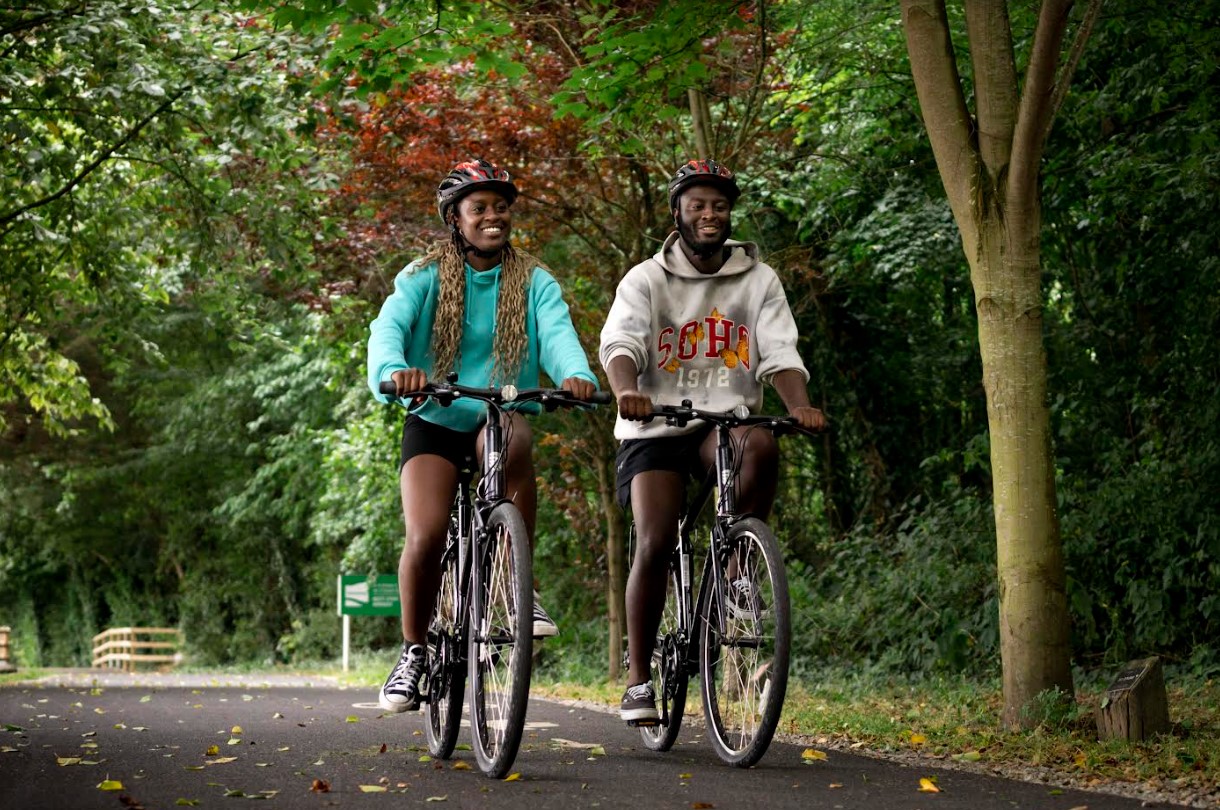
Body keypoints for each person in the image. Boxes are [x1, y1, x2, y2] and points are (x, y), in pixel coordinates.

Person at [598, 158, 827, 725]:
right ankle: (638, 678)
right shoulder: (646, 279)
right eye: (697, 204)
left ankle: (737, 577)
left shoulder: (759, 280)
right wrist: (627, 390)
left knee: (761, 445)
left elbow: (779, 352)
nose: (709, 214)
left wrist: (798, 405)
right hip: (655, 425)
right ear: (677, 213)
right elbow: (620, 343)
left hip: (723, 420)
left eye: (719, 205)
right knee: (655, 538)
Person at [368, 158, 598, 713]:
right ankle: (414, 651)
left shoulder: (534, 280)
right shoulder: (423, 276)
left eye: (501, 207)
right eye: (479, 208)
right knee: (424, 537)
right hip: (435, 418)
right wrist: (394, 372)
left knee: (515, 438)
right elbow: (388, 328)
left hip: (500, 411)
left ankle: (517, 587)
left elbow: (559, 332)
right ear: (455, 218)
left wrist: (577, 374)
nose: (493, 216)